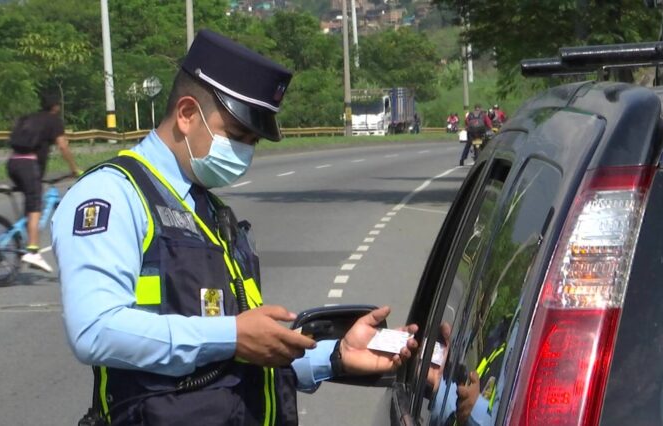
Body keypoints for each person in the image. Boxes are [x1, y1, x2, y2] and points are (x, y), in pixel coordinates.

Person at [51, 29, 418, 426]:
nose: (244, 152)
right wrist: (232, 335)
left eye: (253, 142)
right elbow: (95, 329)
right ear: (187, 114)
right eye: (236, 135)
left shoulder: (209, 210)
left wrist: (334, 355)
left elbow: (234, 360)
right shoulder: (112, 195)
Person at [7, 92, 81, 273]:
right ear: (56, 106)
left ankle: (24, 239)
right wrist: (74, 169)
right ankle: (33, 250)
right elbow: (63, 146)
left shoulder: (30, 117)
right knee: (35, 207)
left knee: (31, 202)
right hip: (29, 164)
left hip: (13, 163)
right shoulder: (53, 120)